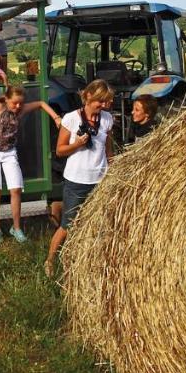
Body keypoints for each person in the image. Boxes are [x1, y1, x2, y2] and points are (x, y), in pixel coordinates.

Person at [0, 85, 62, 243]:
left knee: (16, 189)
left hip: (9, 152)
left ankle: (16, 228)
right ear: (7, 100)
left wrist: (56, 117)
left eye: (20, 103)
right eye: (14, 103)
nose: (18, 106)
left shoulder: (21, 110)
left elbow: (42, 103)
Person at [46, 79, 115, 275]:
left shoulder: (107, 119)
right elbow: (60, 150)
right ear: (88, 97)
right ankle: (50, 259)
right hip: (77, 181)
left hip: (100, 180)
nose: (104, 106)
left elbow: (108, 150)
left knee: (99, 224)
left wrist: (113, 171)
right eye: (100, 101)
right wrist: (76, 144)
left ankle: (90, 261)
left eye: (107, 102)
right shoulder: (70, 118)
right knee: (68, 224)